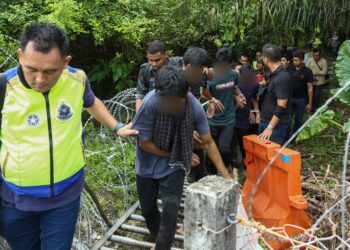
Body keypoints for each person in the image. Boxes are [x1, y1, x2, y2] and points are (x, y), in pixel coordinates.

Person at [0, 23, 138, 250]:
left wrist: (117, 127)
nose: (40, 80)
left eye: (50, 72)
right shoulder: (5, 86)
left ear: (66, 62)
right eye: (31, 69)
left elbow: (92, 102)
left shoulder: (77, 80)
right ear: (20, 55)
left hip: (65, 197)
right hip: (15, 200)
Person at [132, 65, 231, 250]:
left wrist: (226, 177)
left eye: (175, 102)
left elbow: (208, 143)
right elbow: (144, 143)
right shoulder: (150, 103)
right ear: (158, 94)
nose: (170, 106)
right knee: (148, 210)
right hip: (146, 165)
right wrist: (177, 153)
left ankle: (162, 245)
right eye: (166, 102)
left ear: (186, 94)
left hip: (174, 168)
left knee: (171, 212)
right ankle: (158, 236)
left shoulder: (193, 107)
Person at [205, 48, 243, 178]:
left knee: (225, 148)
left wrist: (239, 96)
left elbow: (235, 88)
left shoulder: (234, 75)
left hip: (228, 117)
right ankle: (211, 173)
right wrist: (210, 100)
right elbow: (201, 93)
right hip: (212, 119)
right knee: (211, 148)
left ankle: (227, 167)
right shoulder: (209, 75)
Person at [258, 43, 292, 145]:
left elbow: (281, 105)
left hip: (276, 126)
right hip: (266, 121)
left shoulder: (282, 77)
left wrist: (270, 127)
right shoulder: (272, 74)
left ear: (266, 59)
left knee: (273, 157)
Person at [135, 40, 183, 110]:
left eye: (157, 60)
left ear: (166, 54)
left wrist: (203, 68)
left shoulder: (179, 63)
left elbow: (195, 62)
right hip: (155, 108)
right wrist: (138, 115)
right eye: (150, 60)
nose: (154, 64)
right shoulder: (145, 70)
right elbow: (141, 95)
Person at [235, 65, 260, 168]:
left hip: (251, 119)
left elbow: (254, 98)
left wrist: (256, 112)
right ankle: (246, 165)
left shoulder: (255, 85)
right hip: (239, 118)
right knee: (242, 144)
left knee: (253, 141)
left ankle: (253, 163)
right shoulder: (237, 85)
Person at [289, 50, 313, 136]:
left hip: (301, 99)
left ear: (302, 60)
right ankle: (286, 137)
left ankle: (294, 137)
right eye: (293, 60)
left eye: (296, 60)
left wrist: (309, 103)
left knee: (298, 120)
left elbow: (310, 88)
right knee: (288, 118)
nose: (294, 62)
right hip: (289, 98)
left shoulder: (308, 71)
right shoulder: (289, 68)